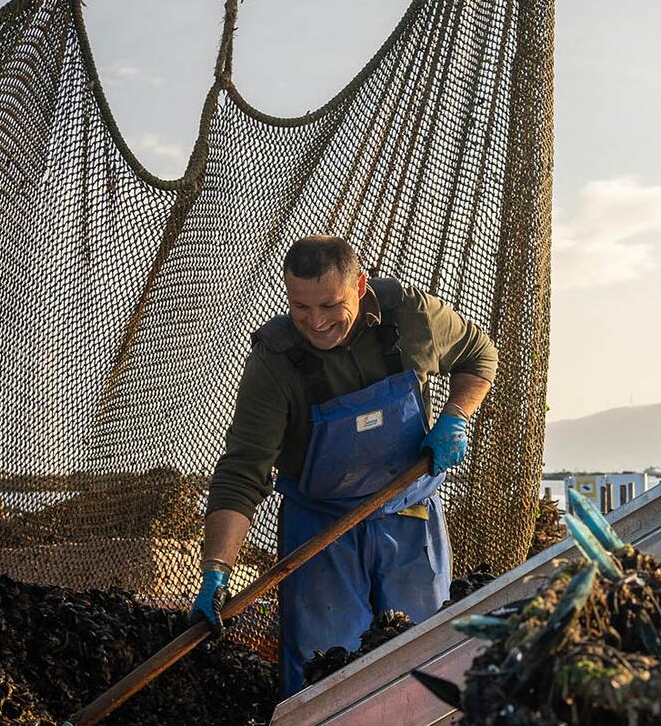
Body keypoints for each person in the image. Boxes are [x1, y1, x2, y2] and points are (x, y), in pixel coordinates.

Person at [198, 236, 497, 694]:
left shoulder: (410, 316)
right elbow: (243, 471)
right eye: (300, 306)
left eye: (329, 305)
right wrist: (217, 568)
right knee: (325, 673)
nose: (315, 323)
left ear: (359, 286)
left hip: (408, 514)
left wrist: (455, 418)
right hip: (321, 530)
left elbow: (478, 354)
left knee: (425, 657)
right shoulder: (275, 362)